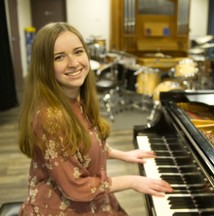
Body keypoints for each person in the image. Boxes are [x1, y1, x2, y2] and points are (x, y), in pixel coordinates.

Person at [18, 22, 173, 215]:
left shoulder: (76, 97)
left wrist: (122, 155)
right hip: (60, 207)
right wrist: (132, 181)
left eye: (78, 52)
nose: (74, 63)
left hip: (91, 199)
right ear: (44, 66)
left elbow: (83, 145)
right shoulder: (50, 117)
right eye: (59, 57)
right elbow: (76, 187)